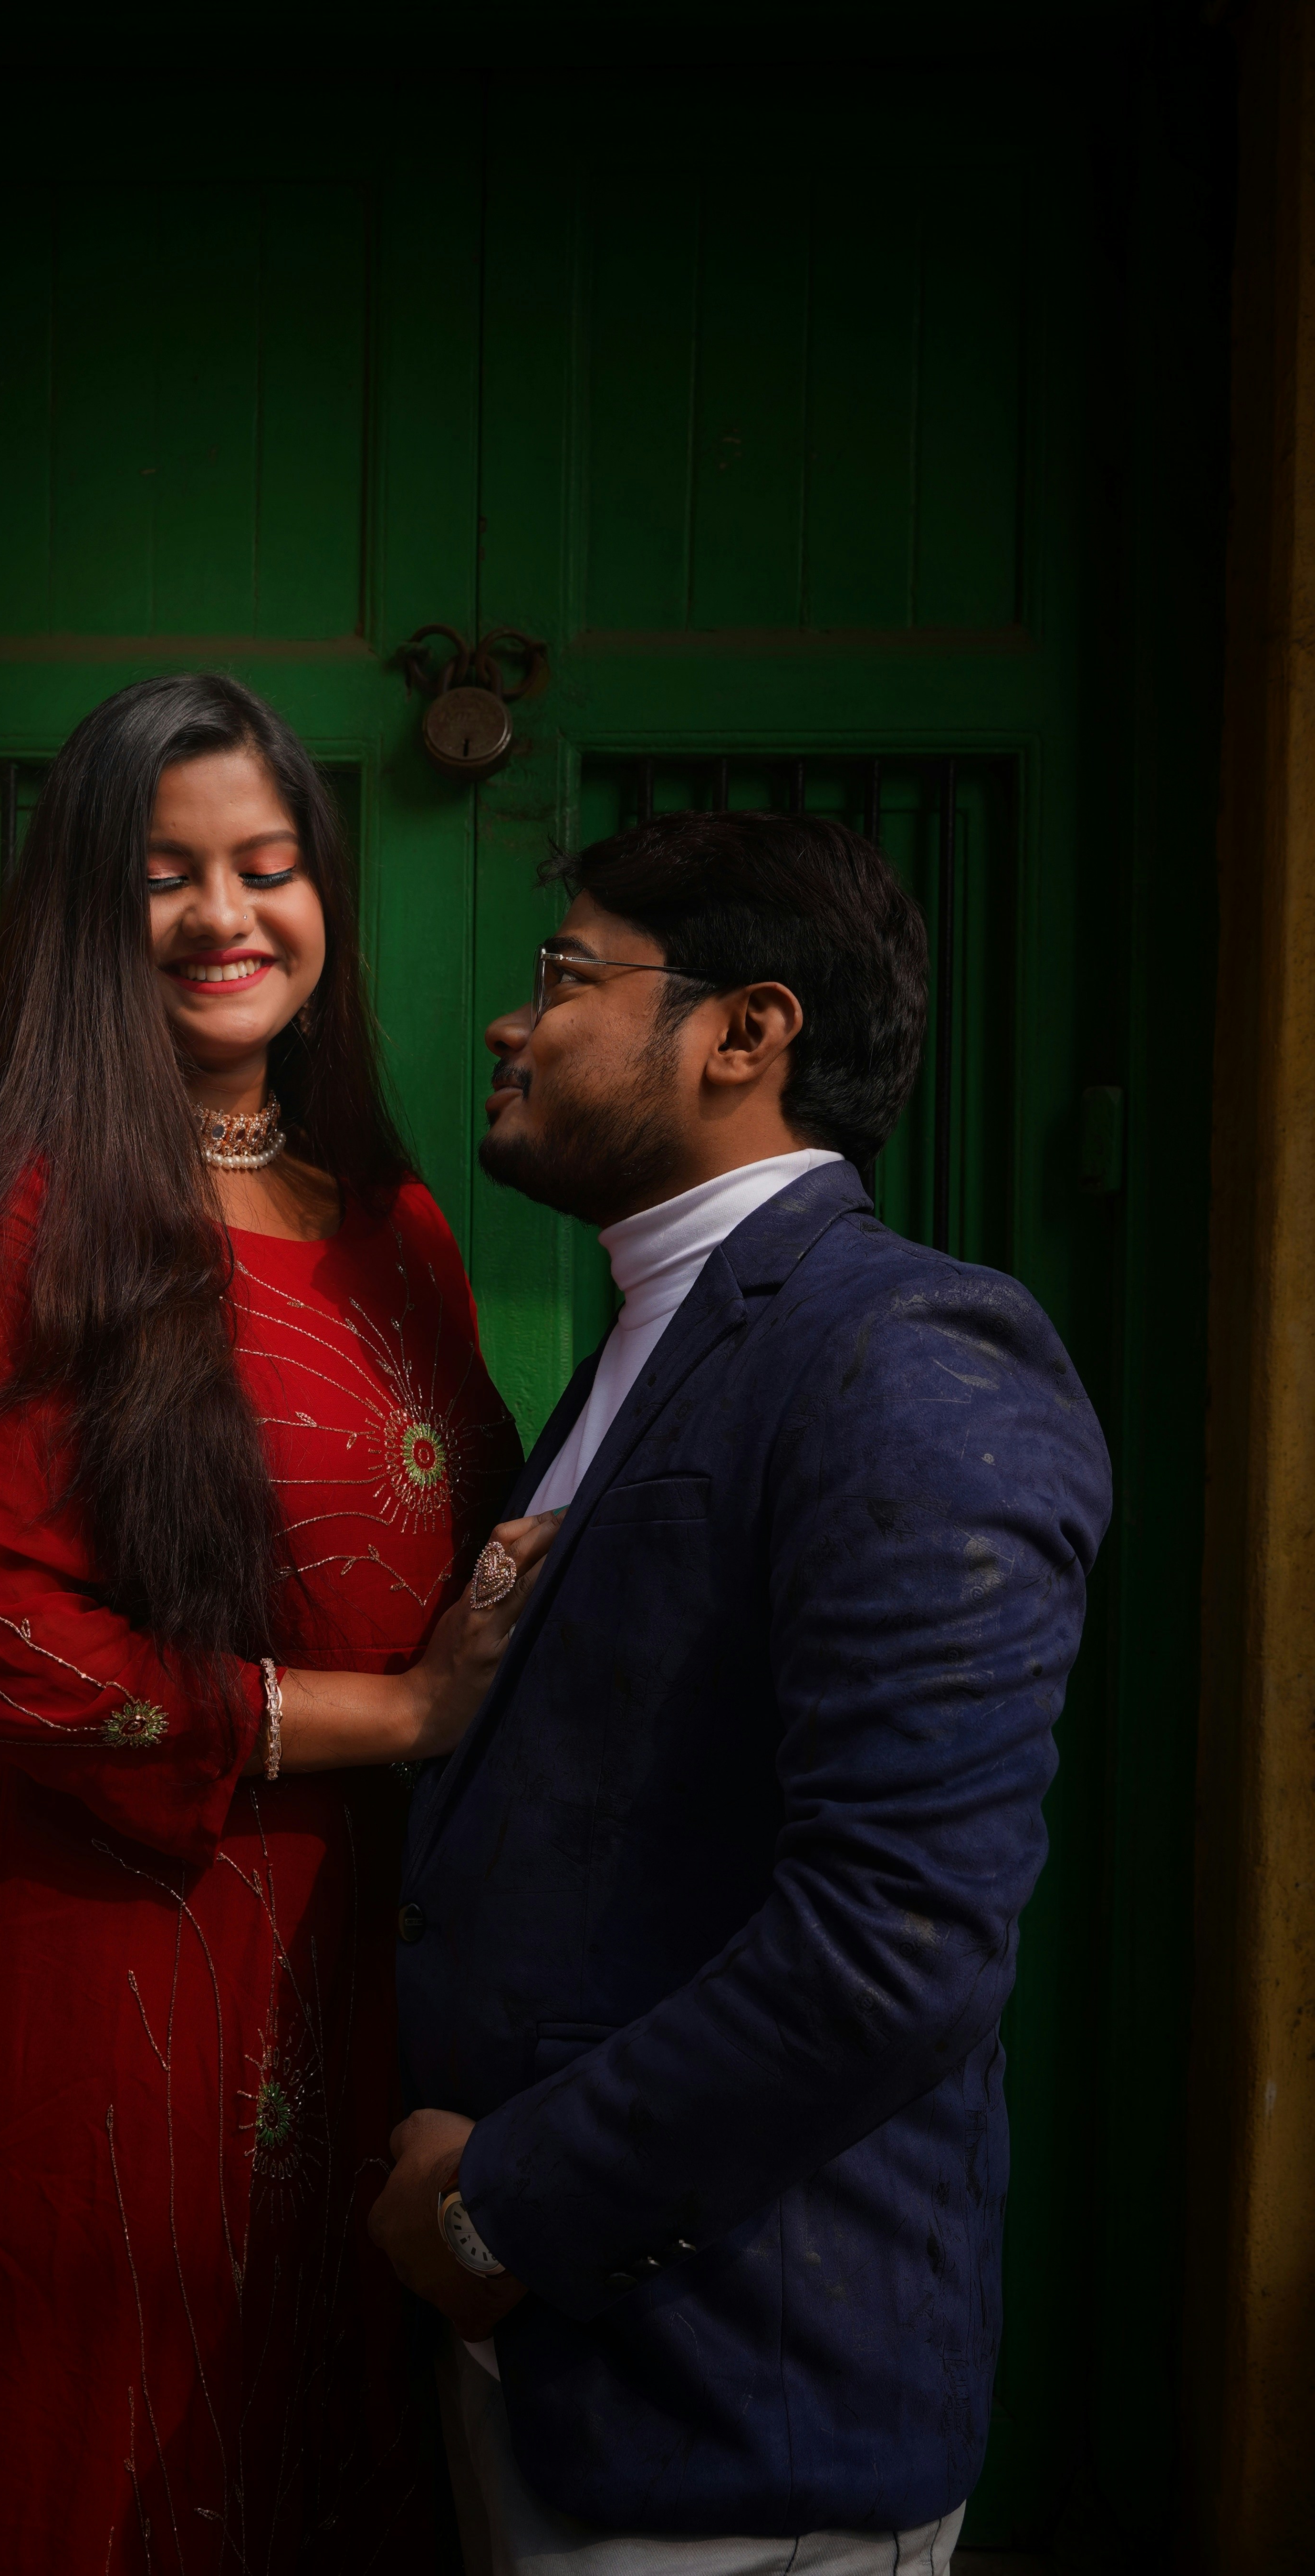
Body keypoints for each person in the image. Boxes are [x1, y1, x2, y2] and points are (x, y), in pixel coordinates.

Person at [0, 674, 548, 2575]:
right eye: (167, 876)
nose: (230, 917)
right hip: (126, 1936)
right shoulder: (27, 1216)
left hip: (366, 1935)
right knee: (114, 2432)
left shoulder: (393, 1216)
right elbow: (0, 1636)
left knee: (320, 2404)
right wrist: (394, 1720)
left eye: (269, 865)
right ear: (90, 914)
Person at [370, 808, 1113, 2574]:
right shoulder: (656, 1328)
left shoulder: (908, 1347)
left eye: (565, 975)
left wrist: (492, 2216)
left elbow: (899, 1943)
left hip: (738, 2412)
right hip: (566, 2374)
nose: (510, 1019)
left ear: (743, 1032)